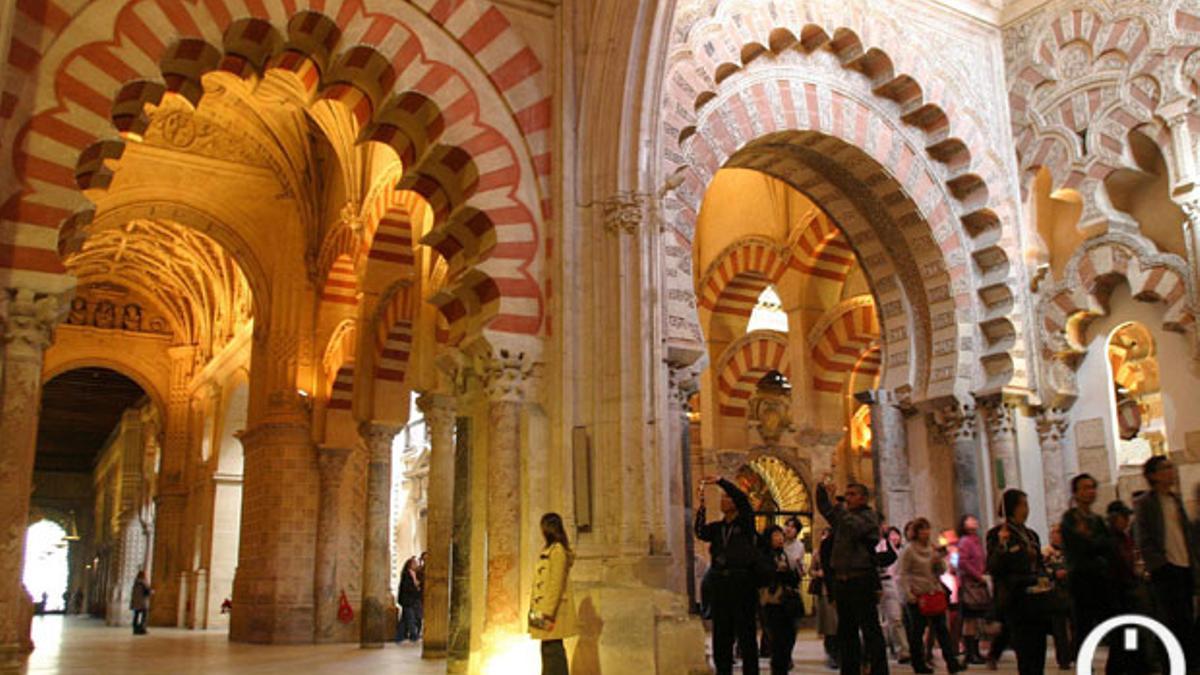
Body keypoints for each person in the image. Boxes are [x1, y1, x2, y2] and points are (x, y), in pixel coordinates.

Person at [816, 475, 888, 675]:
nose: (847, 498)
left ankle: (879, 670)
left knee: (870, 629)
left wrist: (836, 505)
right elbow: (826, 510)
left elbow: (853, 527)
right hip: (843, 581)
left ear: (863, 498)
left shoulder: (869, 517)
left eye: (852, 494)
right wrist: (822, 489)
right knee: (846, 631)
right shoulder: (842, 516)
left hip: (861, 579)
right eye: (846, 494)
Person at [1133, 455, 1199, 666]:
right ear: (1153, 475)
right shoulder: (1145, 503)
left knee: (1187, 618)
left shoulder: (1175, 500)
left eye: (1171, 467)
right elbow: (1143, 538)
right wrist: (1159, 564)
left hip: (1184, 565)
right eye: (1165, 468)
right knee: (1170, 619)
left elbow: (1185, 534)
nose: (1170, 472)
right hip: (1165, 568)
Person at [695, 475, 760, 675]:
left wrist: (721, 481)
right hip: (721, 583)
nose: (724, 500)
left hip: (742, 582)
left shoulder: (746, 523)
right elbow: (700, 532)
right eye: (723, 498)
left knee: (746, 633)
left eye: (728, 498)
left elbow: (742, 499)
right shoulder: (718, 528)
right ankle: (723, 670)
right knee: (721, 633)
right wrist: (702, 509)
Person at [986, 489, 1049, 675]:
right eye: (1023, 505)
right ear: (1012, 507)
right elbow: (993, 566)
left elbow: (1038, 563)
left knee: (1039, 649)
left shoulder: (1030, 535)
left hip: (1036, 598)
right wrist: (1002, 546)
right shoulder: (998, 534)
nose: (1026, 509)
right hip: (1017, 598)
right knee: (1025, 651)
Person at [1061, 473, 1113, 665]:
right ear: (1076, 493)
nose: (1090, 491)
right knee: (1083, 626)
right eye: (1085, 488)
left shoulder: (1097, 520)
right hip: (1081, 580)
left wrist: (1091, 541)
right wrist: (1092, 543)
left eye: (1092, 487)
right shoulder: (1070, 519)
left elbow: (1107, 545)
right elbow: (1080, 547)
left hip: (1100, 578)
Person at [899, 518, 963, 674]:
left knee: (942, 630)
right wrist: (908, 593)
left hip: (933, 592)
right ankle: (918, 663)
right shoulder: (909, 550)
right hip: (918, 595)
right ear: (916, 532)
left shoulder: (932, 548)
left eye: (927, 529)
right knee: (917, 631)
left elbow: (940, 571)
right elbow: (904, 573)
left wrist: (939, 560)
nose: (926, 532)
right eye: (922, 529)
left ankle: (951, 662)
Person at [1107, 499, 1153, 674]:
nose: (1126, 520)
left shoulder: (1125, 538)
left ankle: (1136, 667)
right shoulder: (1110, 541)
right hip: (1119, 598)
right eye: (1123, 516)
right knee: (1122, 641)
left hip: (1129, 596)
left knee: (1129, 640)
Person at [529, 512, 577, 675]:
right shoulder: (549, 549)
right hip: (542, 610)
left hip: (550, 612)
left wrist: (546, 613)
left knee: (553, 651)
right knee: (547, 650)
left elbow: (555, 585)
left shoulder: (558, 551)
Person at [760, 524, 801, 674]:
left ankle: (783, 666)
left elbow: (795, 578)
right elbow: (763, 576)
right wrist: (776, 571)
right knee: (777, 640)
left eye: (781, 535)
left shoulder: (786, 555)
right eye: (776, 535)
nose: (780, 538)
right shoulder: (764, 556)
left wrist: (790, 572)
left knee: (789, 637)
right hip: (773, 602)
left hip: (789, 602)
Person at [954, 515, 988, 666]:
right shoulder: (965, 541)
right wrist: (977, 575)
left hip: (978, 582)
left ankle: (975, 651)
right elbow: (963, 562)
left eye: (975, 519)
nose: (974, 521)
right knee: (970, 619)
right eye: (970, 519)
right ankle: (970, 652)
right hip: (969, 584)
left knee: (975, 618)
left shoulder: (976, 540)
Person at [1041, 525, 1073, 671]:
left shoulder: (1070, 551)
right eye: (1054, 532)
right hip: (1054, 593)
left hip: (1071, 591)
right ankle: (1063, 659)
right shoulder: (1046, 552)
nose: (1057, 535)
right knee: (1059, 629)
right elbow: (1042, 570)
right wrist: (1054, 574)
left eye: (1059, 532)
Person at [878, 526, 911, 665]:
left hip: (890, 582)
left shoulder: (890, 545)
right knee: (878, 622)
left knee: (896, 618)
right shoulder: (867, 543)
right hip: (874, 583)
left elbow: (894, 562)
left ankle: (903, 650)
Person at [810, 527, 839, 671]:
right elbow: (811, 570)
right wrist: (818, 573)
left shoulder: (838, 552)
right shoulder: (817, 553)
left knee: (838, 624)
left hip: (837, 590)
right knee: (829, 625)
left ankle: (838, 653)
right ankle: (831, 653)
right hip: (824, 590)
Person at [397, 557, 422, 642]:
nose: (416, 565)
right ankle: (413, 635)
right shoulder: (406, 574)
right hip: (408, 600)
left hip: (413, 599)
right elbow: (407, 587)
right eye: (414, 563)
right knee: (410, 617)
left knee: (405, 619)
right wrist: (416, 587)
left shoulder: (416, 574)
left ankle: (400, 636)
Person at [130, 570, 151, 635]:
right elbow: (147, 592)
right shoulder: (144, 583)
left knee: (136, 615)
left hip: (136, 603)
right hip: (142, 602)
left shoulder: (135, 583)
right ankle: (142, 629)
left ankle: (135, 629)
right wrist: (151, 592)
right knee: (144, 616)